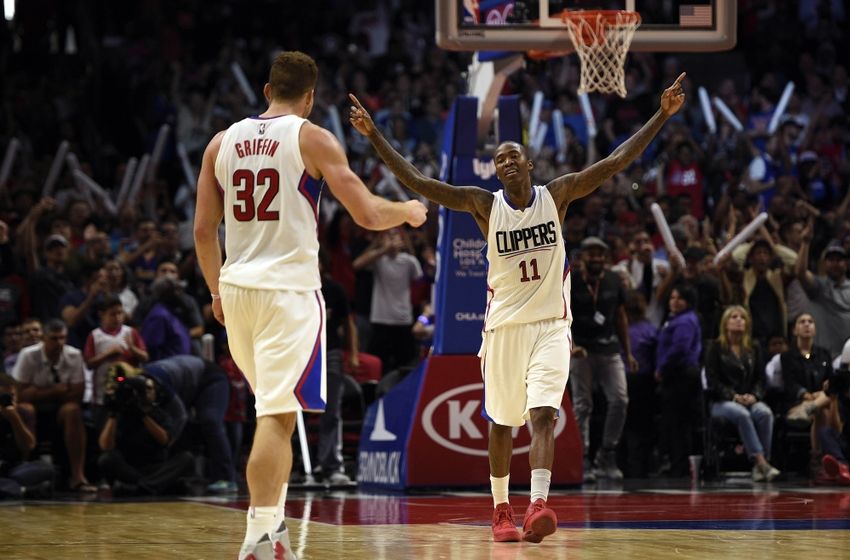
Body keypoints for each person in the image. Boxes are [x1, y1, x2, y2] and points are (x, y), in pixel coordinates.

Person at [350, 73, 686, 542]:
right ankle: (502, 509)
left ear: (528, 163)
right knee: (503, 423)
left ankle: (539, 505)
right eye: (498, 159)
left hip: (551, 324)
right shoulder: (481, 204)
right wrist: (374, 137)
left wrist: (661, 116)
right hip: (504, 327)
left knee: (544, 414)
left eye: (512, 157)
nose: (505, 163)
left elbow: (615, 161)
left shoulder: (559, 194)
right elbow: (418, 180)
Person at [193, 51, 427, 560]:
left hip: (237, 290)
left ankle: (274, 532)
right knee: (277, 417)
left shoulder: (220, 143)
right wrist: (407, 211)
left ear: (265, 89)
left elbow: (203, 231)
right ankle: (256, 537)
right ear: (311, 96)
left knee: (271, 412)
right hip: (287, 292)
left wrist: (215, 292)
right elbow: (365, 213)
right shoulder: (311, 137)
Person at [569, 236, 636, 483]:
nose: (596, 258)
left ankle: (607, 453)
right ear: (582, 257)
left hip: (609, 348)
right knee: (582, 405)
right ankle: (582, 457)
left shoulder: (613, 280)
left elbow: (620, 316)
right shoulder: (570, 281)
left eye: (600, 254)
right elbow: (562, 315)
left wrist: (628, 352)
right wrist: (571, 345)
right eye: (591, 254)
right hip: (581, 350)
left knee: (620, 399)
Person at [11, 319, 94, 492]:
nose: (59, 343)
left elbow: (77, 395)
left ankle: (78, 476)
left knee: (73, 410)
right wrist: (56, 391)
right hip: (34, 410)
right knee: (25, 408)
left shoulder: (74, 355)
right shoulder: (28, 355)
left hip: (60, 411)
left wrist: (37, 392)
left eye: (63, 338)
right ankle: (21, 471)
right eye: (54, 339)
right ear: (44, 338)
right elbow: (20, 395)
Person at [705, 305, 780, 482]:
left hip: (749, 398)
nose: (739, 320)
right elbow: (713, 381)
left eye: (743, 317)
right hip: (721, 401)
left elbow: (761, 379)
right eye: (734, 317)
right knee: (742, 414)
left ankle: (759, 466)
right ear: (725, 323)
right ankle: (762, 462)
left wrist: (755, 395)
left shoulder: (753, 348)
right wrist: (733, 396)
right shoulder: (715, 348)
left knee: (765, 413)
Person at [655, 284, 702, 477]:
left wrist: (661, 368)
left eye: (679, 298)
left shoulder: (684, 321)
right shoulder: (677, 319)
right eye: (672, 297)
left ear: (688, 302)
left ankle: (679, 466)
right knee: (676, 423)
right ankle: (678, 464)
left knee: (678, 422)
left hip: (680, 375)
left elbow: (679, 349)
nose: (674, 301)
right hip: (679, 375)